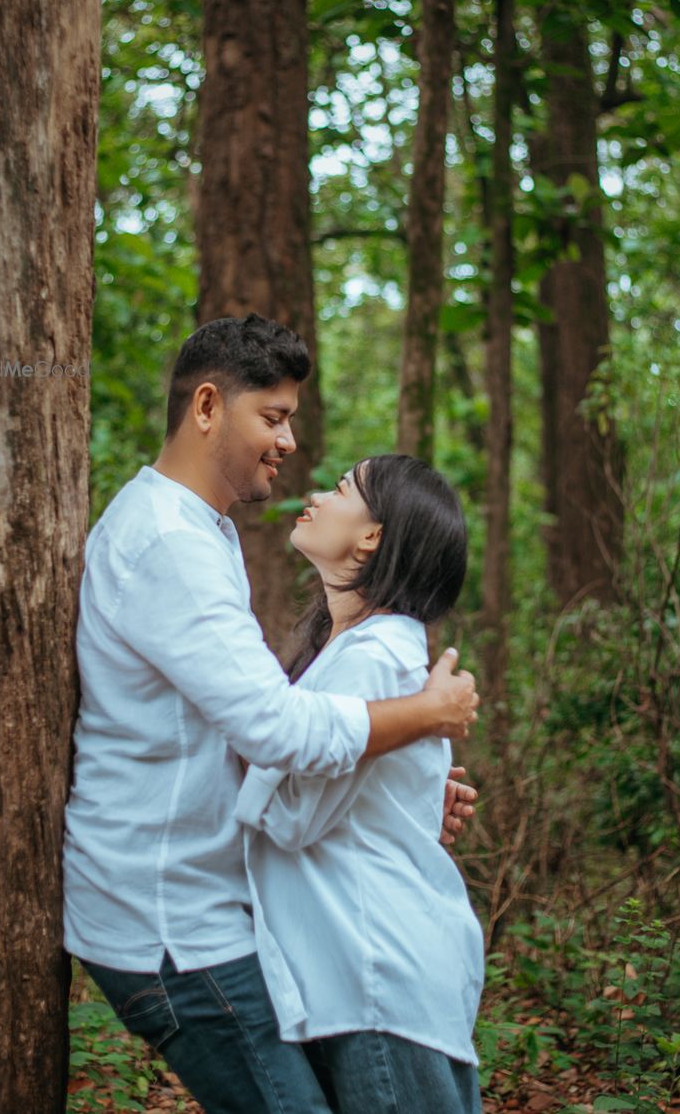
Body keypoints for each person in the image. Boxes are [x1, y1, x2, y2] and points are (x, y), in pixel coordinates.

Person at [63, 315, 479, 1114]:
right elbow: (276, 729)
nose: (289, 442)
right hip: (171, 922)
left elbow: (250, 734)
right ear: (209, 406)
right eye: (275, 417)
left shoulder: (199, 532)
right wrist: (421, 717)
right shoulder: (167, 544)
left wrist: (393, 782)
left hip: (211, 910)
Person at [236, 454, 485, 1114]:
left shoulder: (373, 658)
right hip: (364, 980)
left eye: (341, 488)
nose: (315, 494)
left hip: (378, 980)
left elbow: (292, 818)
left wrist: (238, 749)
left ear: (371, 536)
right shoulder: (355, 653)